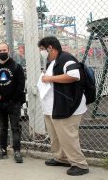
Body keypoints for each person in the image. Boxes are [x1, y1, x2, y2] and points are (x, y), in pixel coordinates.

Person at [38, 36, 89, 176]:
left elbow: (74, 75)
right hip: (54, 106)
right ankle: (61, 158)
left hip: (69, 106)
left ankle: (80, 164)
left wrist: (49, 78)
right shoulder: (53, 62)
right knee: (55, 136)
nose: (41, 52)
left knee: (67, 136)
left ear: (50, 48)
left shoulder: (66, 58)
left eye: (42, 49)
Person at [0, 43, 25, 163]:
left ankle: (17, 151)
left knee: (15, 128)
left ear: (9, 51)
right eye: (0, 50)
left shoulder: (16, 66)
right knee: (3, 128)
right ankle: (2, 151)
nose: (2, 52)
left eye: (4, 50)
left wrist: (11, 99)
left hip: (13, 103)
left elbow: (21, 86)